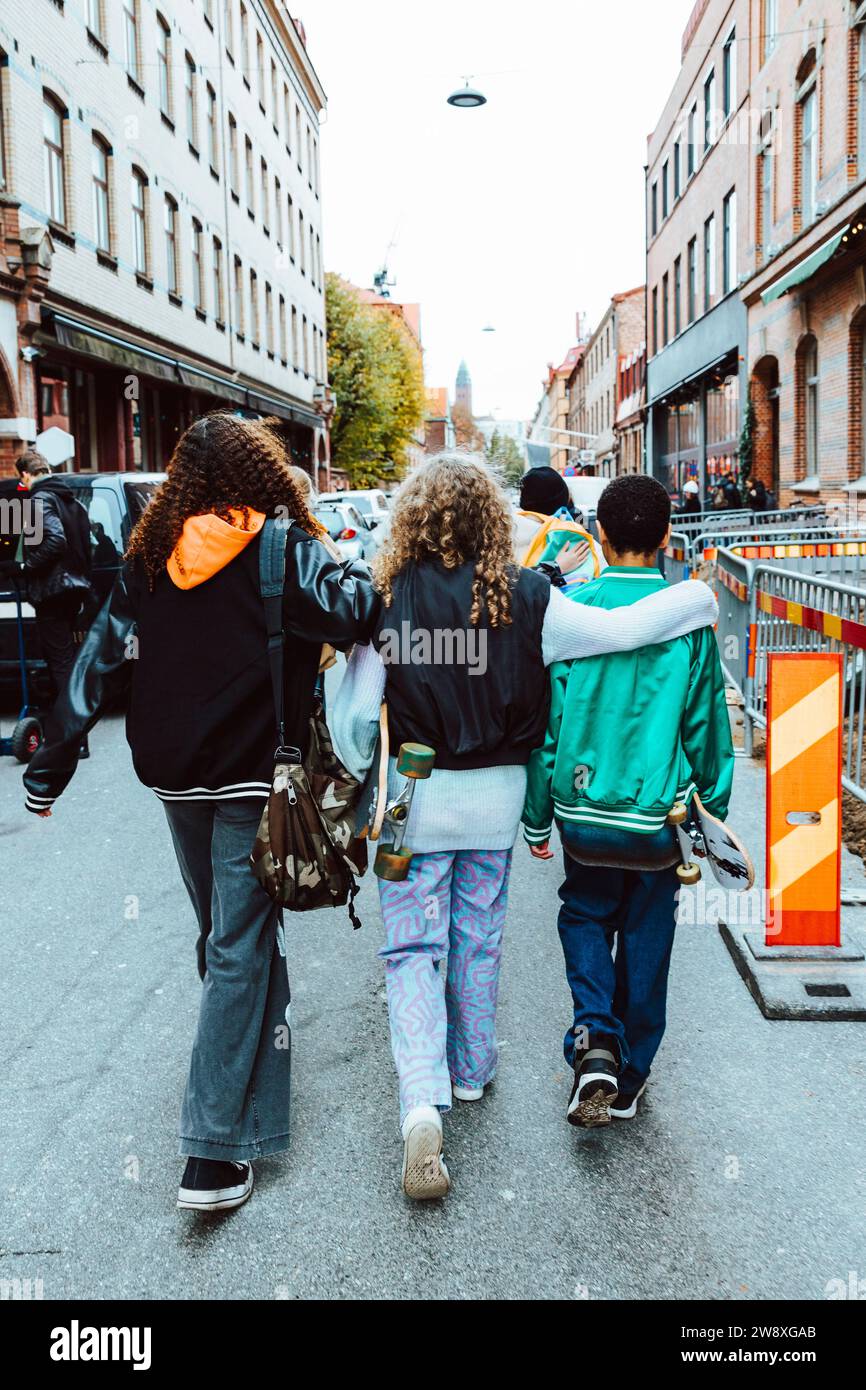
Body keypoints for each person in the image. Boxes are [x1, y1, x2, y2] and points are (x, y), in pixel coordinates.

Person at [330, 453, 719, 1201]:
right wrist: (700, 596)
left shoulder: (387, 599)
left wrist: (359, 787)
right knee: (478, 935)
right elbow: (623, 629)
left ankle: (422, 1099)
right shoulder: (528, 595)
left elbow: (352, 721)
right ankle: (472, 1072)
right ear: (491, 519)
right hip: (499, 796)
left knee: (413, 947)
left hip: (415, 798)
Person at [23, 413, 380, 1214]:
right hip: (254, 777)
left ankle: (251, 1096)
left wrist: (51, 763)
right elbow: (357, 610)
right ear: (262, 477)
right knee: (236, 944)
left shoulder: (154, 554)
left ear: (184, 480)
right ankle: (212, 1155)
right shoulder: (281, 547)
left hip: (176, 777)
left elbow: (96, 659)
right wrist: (346, 559)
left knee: (229, 937)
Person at [522, 474, 734, 1128]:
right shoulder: (689, 622)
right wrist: (712, 811)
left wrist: (536, 816)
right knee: (648, 933)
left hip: (584, 814)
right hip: (657, 819)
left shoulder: (571, 612)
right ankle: (632, 1071)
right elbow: (705, 724)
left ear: (601, 536)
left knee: (585, 916)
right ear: (668, 536)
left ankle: (595, 1042)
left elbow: (545, 724)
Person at [17, 451, 94, 727]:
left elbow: (55, 541)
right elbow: (87, 546)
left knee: (60, 661)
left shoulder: (38, 500)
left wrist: (26, 567)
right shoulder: (71, 501)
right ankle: (73, 726)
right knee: (69, 660)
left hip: (52, 592)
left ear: (26, 474)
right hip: (74, 590)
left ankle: (74, 732)